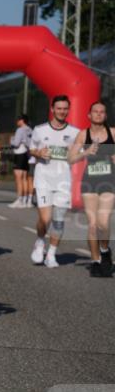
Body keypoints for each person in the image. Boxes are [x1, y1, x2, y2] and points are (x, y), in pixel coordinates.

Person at [29, 95, 80, 268]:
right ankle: (40, 241)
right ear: (52, 109)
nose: (62, 111)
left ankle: (51, 254)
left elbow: (75, 156)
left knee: (58, 219)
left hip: (63, 181)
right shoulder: (40, 129)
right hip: (43, 178)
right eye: (59, 108)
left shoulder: (75, 132)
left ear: (68, 110)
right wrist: (38, 153)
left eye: (65, 108)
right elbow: (31, 149)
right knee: (46, 218)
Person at [68, 101, 114, 277]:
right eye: (95, 111)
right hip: (90, 182)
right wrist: (85, 153)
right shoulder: (83, 134)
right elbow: (71, 159)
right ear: (89, 115)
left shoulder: (113, 133)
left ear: (105, 115)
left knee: (103, 222)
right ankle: (96, 262)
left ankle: (104, 250)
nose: (99, 114)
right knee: (93, 226)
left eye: (102, 112)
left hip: (109, 181)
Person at [9, 114, 34, 208]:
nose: (16, 122)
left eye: (18, 120)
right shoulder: (30, 130)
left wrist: (11, 140)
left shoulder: (20, 130)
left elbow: (16, 143)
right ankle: (25, 200)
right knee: (25, 178)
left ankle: (19, 199)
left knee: (18, 178)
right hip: (27, 154)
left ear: (22, 120)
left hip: (20, 153)